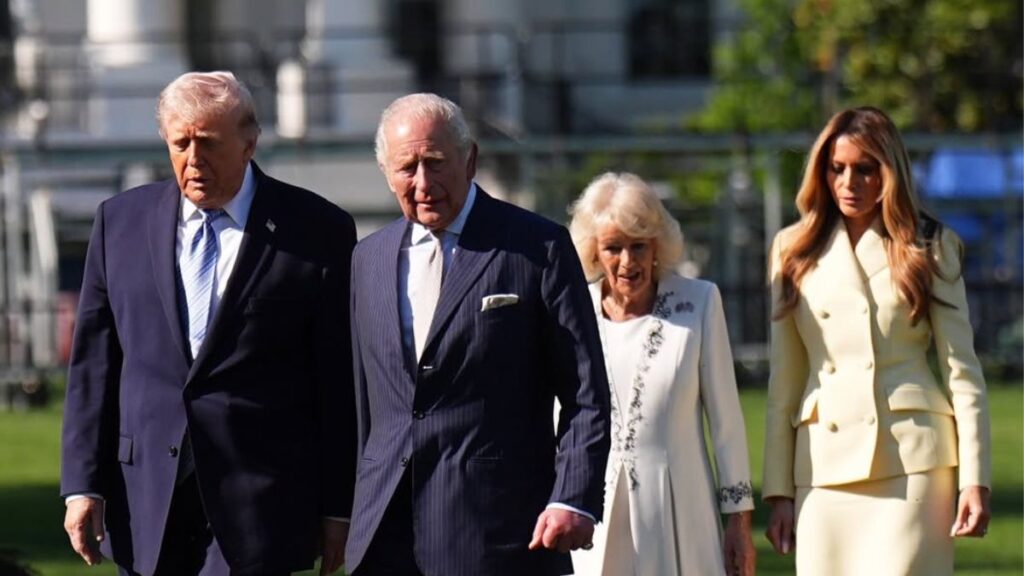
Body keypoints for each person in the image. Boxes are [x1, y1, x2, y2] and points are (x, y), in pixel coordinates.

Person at [60, 71, 357, 576]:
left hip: (262, 500)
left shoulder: (317, 230)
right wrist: (82, 486)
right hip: (148, 496)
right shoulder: (119, 223)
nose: (193, 159)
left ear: (249, 143)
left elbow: (337, 380)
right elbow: (94, 368)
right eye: (181, 143)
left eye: (209, 143)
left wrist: (338, 507)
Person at [345, 93, 611, 576]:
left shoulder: (537, 248)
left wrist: (574, 497)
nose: (423, 182)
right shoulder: (368, 260)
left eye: (436, 162)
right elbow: (367, 406)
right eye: (407, 168)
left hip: (500, 535)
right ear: (386, 173)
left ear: (470, 159)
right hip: (383, 538)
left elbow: (585, 393)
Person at [762, 106, 992, 575]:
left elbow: (962, 372)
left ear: (890, 172)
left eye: (865, 169)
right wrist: (779, 490)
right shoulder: (792, 248)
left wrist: (975, 480)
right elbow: (784, 378)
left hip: (914, 464)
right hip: (823, 468)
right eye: (837, 168)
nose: (849, 182)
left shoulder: (931, 245)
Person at [566, 172, 756, 576]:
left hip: (681, 514)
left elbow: (727, 423)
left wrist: (738, 522)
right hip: (592, 515)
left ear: (658, 247)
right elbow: (557, 421)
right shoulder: (571, 310)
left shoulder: (700, 301)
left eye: (639, 246)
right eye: (613, 248)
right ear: (594, 253)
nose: (628, 261)